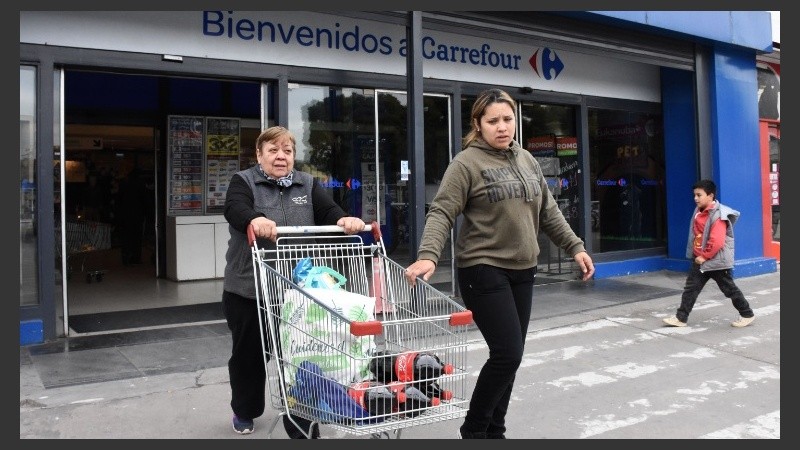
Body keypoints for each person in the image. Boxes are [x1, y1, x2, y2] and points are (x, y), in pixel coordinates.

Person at [403, 88, 595, 439]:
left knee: (511, 357)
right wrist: (429, 254)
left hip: (523, 270)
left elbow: (549, 211)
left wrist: (575, 247)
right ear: (478, 124)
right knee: (508, 353)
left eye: (508, 119)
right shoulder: (466, 164)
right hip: (483, 268)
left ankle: (495, 431)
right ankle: (474, 431)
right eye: (493, 121)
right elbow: (442, 211)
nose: (502, 126)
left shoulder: (527, 160)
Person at [222, 126, 365, 437]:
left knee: (301, 358)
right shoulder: (244, 181)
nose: (280, 156)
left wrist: (343, 219)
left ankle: (301, 423)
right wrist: (254, 219)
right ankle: (245, 410)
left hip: (297, 293)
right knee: (250, 357)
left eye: (287, 151)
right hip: (250, 290)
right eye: (273, 150)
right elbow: (234, 208)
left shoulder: (306, 183)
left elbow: (328, 211)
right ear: (259, 154)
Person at [663, 179, 755, 328]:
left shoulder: (718, 215)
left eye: (699, 195)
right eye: (694, 195)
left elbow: (717, 241)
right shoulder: (699, 211)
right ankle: (681, 318)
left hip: (715, 261)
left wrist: (704, 256)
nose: (695, 198)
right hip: (700, 259)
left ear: (710, 196)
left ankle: (747, 314)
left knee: (729, 289)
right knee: (691, 289)